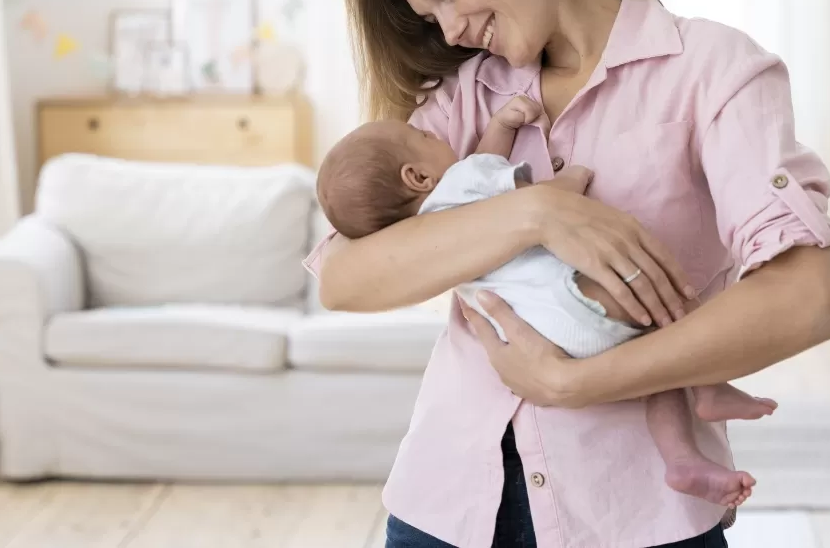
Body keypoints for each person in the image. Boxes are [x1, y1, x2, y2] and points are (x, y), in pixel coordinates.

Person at [305, 0, 830, 546]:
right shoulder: (466, 96)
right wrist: (535, 212)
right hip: (446, 506)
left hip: (636, 514)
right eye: (429, 15)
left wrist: (576, 383)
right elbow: (345, 279)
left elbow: (813, 296)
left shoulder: (712, 71)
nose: (448, 30)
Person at [316, 96, 777, 510]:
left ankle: (683, 462)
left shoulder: (427, 230)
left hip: (535, 333)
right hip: (573, 299)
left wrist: (500, 125)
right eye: (423, 138)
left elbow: (483, 165)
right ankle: (707, 390)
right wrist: (573, 178)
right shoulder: (461, 182)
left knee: (659, 369)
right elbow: (539, 199)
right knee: (669, 301)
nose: (432, 134)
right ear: (416, 176)